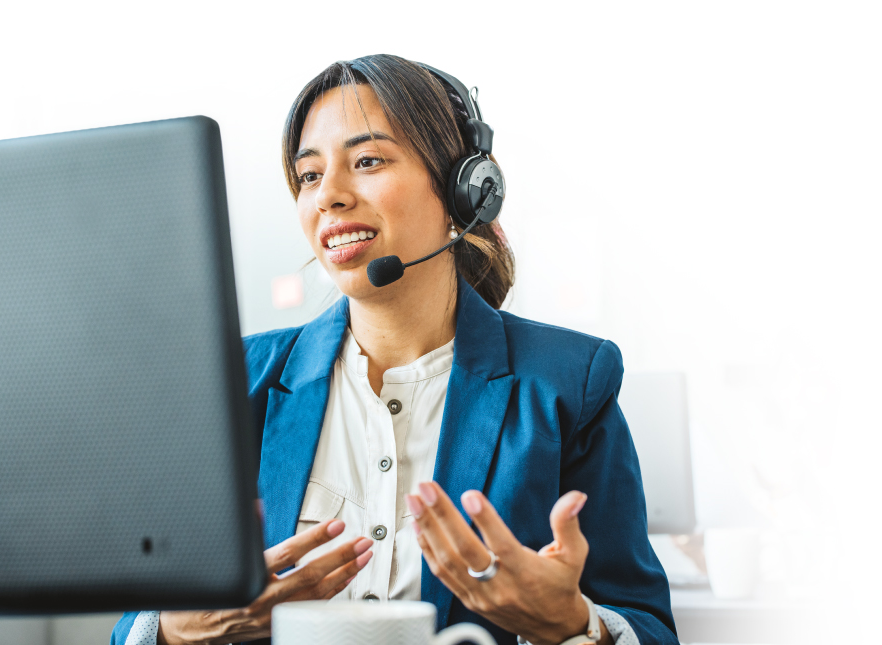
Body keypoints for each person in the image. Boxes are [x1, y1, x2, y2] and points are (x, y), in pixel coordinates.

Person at [111, 54, 678, 645]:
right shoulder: (235, 381)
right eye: (308, 176)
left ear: (465, 191)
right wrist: (175, 630)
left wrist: (575, 625)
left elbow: (649, 627)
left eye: (367, 161)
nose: (328, 195)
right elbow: (137, 623)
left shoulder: (569, 382)